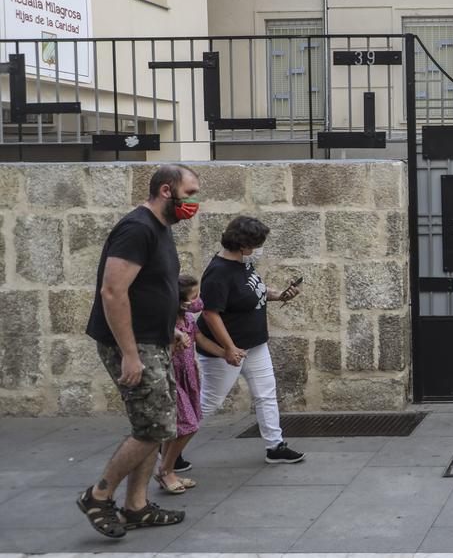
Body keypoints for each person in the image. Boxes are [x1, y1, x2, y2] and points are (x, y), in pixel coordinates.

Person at [77, 164, 200, 539]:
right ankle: (99, 496)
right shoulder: (137, 228)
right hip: (132, 345)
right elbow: (113, 292)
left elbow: (153, 290)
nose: (193, 202)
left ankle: (136, 506)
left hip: (154, 341)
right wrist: (130, 354)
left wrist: (171, 333)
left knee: (152, 424)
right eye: (190, 193)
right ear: (167, 191)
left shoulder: (159, 229)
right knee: (155, 426)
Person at [197, 216, 305, 464]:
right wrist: (229, 347)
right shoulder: (218, 273)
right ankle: (167, 447)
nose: (259, 251)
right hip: (226, 350)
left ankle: (275, 446)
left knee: (266, 394)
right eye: (257, 246)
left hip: (254, 344)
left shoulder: (241, 264)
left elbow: (255, 289)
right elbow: (210, 314)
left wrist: (280, 295)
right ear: (244, 247)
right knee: (209, 402)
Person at [156, 274, 223, 494]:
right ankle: (165, 470)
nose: (198, 300)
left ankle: (167, 471)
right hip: (173, 379)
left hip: (189, 377)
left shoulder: (189, 320)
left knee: (179, 428)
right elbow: (164, 353)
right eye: (195, 296)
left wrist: (225, 353)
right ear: (181, 301)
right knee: (189, 425)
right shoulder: (167, 324)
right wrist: (176, 341)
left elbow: (200, 339)